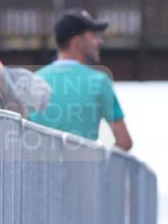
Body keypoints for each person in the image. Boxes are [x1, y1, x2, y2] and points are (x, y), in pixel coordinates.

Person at [28, 8, 133, 150]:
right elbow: (124, 142)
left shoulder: (33, 81)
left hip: (39, 171)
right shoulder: (99, 81)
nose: (99, 41)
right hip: (84, 171)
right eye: (94, 36)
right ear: (77, 41)